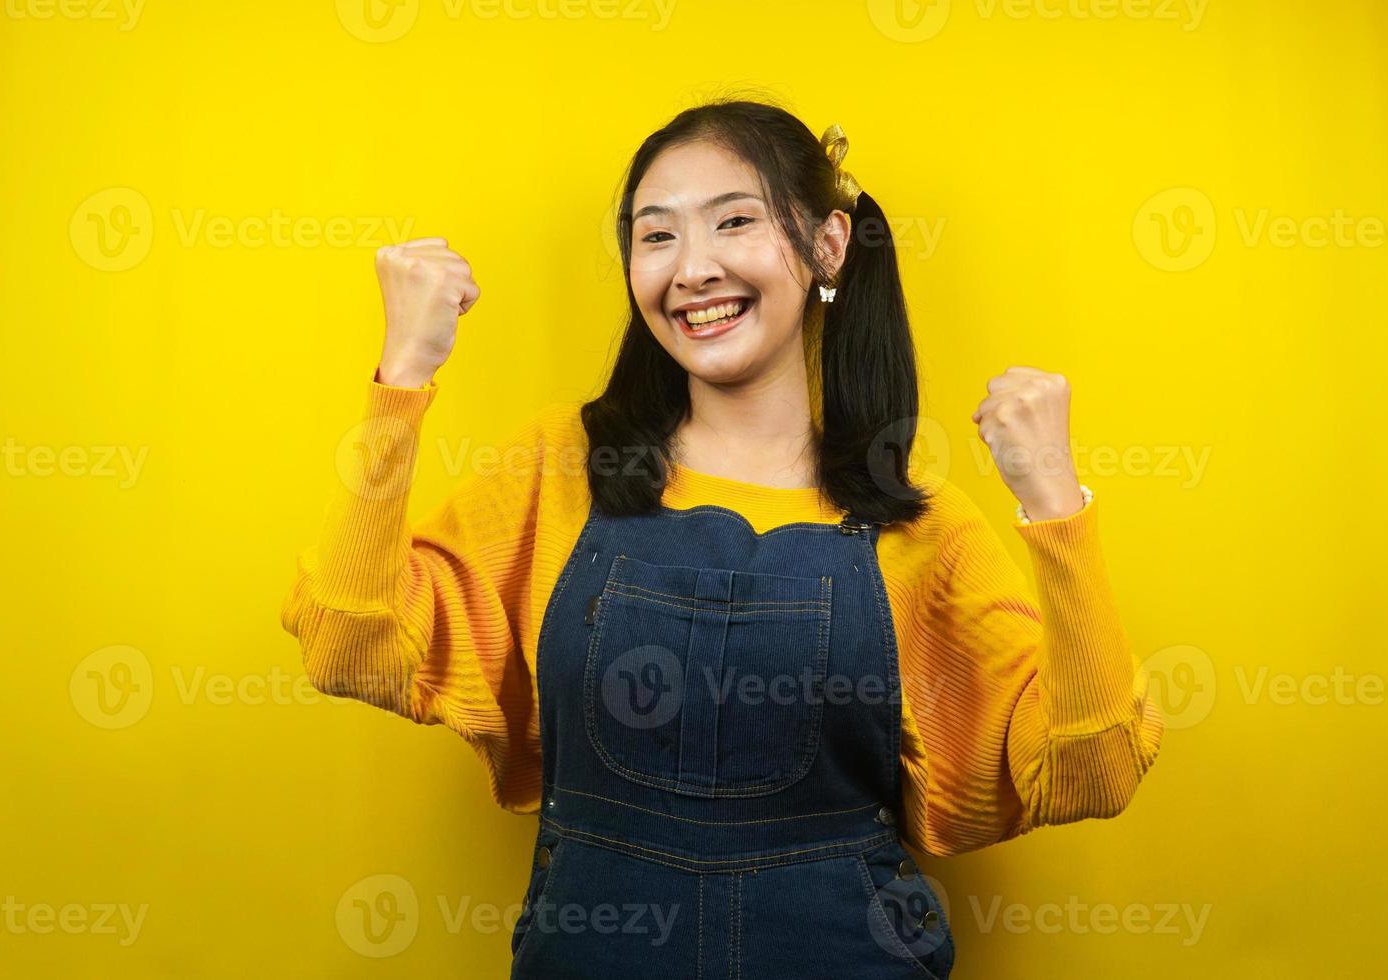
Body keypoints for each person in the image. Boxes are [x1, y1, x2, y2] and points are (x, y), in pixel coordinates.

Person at [280, 98, 1164, 979]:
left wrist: (1055, 502)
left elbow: (1093, 769)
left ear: (827, 247)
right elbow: (346, 643)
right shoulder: (557, 471)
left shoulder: (919, 525)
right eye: (655, 236)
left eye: (734, 222)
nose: (692, 270)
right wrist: (402, 378)